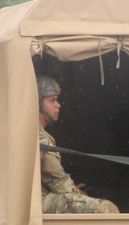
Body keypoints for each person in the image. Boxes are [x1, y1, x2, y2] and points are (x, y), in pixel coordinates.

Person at [37, 76, 119, 214]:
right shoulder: (41, 138)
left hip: (34, 202)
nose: (58, 105)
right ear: (37, 103)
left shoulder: (28, 131)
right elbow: (59, 184)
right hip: (38, 203)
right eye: (52, 100)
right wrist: (79, 194)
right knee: (108, 209)